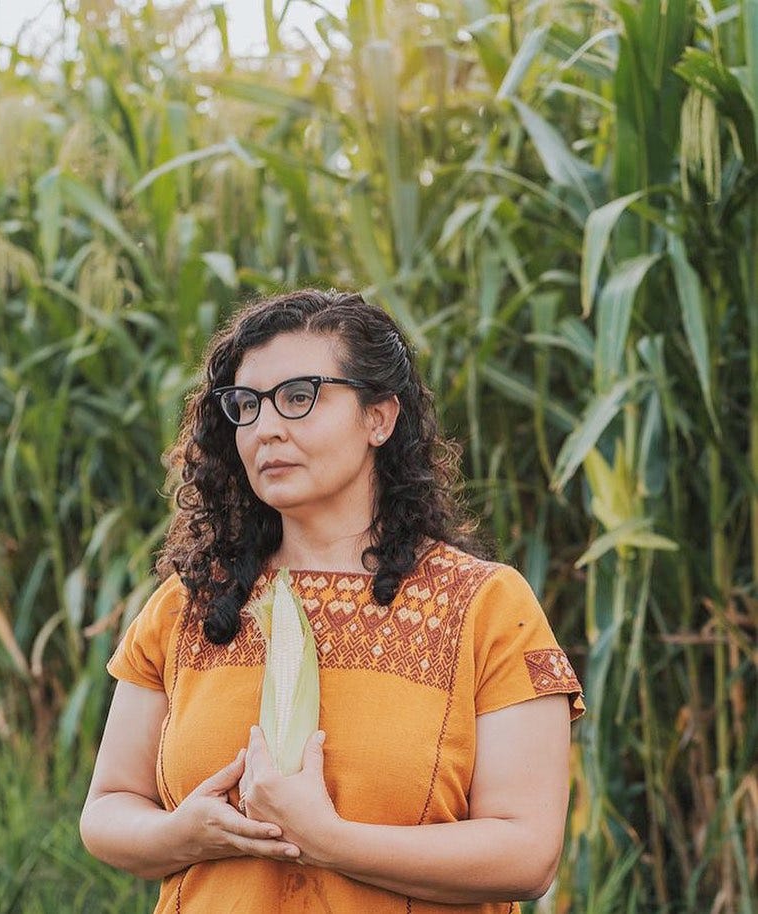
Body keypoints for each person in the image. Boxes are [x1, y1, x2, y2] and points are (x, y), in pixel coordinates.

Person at [80, 288, 584, 914]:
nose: (266, 428)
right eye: (246, 405)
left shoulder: (485, 606)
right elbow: (107, 808)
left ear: (379, 418)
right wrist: (180, 834)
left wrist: (330, 842)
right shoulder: (188, 604)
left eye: (299, 397)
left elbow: (526, 854)